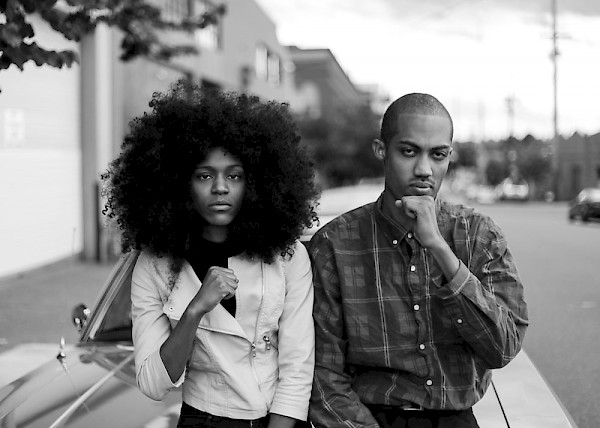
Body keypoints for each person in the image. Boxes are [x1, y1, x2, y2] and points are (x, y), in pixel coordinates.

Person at [101, 80, 318, 428]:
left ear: (256, 182)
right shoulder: (155, 265)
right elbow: (153, 384)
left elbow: (298, 367)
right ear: (179, 182)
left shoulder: (287, 256)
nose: (220, 188)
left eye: (234, 175)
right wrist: (195, 310)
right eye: (204, 175)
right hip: (202, 419)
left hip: (277, 419)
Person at [307, 93, 528, 428]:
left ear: (449, 156)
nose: (424, 170)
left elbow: (503, 348)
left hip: (455, 419)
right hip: (369, 417)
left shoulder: (479, 235)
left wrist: (440, 249)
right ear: (381, 150)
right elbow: (323, 375)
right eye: (409, 152)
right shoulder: (335, 244)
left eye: (438, 155)